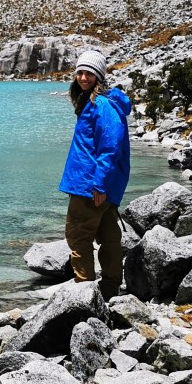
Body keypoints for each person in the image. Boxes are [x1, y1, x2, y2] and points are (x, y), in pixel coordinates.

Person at [59, 49, 132, 299]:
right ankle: (110, 290)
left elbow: (110, 147)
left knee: (78, 237)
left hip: (89, 185)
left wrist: (99, 185)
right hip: (101, 184)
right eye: (79, 72)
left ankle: (85, 293)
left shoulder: (100, 104)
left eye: (89, 73)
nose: (83, 77)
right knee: (108, 235)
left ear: (99, 76)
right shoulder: (100, 102)